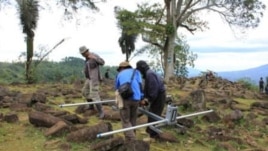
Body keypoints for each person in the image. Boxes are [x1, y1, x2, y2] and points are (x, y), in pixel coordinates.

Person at [136, 60, 166, 139]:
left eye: (139, 69)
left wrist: (147, 100)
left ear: (142, 68)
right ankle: (150, 131)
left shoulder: (150, 74)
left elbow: (153, 90)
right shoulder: (148, 73)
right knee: (152, 112)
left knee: (154, 114)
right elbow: (148, 89)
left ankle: (154, 135)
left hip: (159, 96)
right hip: (157, 95)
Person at [115, 61, 143, 141]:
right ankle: (131, 138)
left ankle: (132, 140)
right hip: (136, 99)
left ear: (122, 68)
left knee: (125, 121)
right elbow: (140, 85)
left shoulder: (119, 74)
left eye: (120, 69)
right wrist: (141, 97)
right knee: (133, 119)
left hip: (125, 99)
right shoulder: (137, 72)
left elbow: (117, 87)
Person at [79, 45, 105, 119]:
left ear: (87, 51)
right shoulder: (86, 59)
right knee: (84, 92)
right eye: (82, 54)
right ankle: (91, 106)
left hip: (95, 79)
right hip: (88, 78)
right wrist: (84, 71)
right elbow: (89, 67)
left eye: (84, 53)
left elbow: (102, 62)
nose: (83, 55)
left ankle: (101, 111)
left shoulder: (94, 55)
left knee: (94, 95)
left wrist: (94, 58)